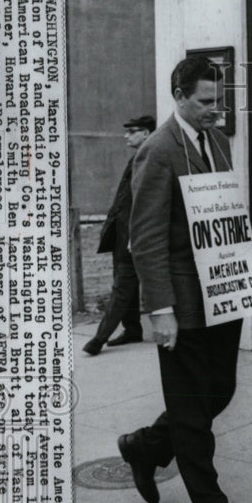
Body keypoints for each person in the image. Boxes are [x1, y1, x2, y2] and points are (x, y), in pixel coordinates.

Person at [117, 56, 248, 503]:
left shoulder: (215, 140)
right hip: (183, 300)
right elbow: (145, 239)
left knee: (220, 392)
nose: (217, 110)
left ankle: (145, 446)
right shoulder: (156, 150)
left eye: (220, 101)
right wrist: (160, 310)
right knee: (193, 411)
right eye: (206, 102)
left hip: (224, 291)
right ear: (179, 96)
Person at [83, 115, 156, 356]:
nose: (126, 135)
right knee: (125, 284)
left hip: (133, 236)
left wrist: (135, 235)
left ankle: (98, 339)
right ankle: (132, 329)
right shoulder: (138, 157)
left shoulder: (149, 158)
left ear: (145, 133)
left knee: (122, 287)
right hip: (122, 234)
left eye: (132, 131)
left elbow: (146, 202)